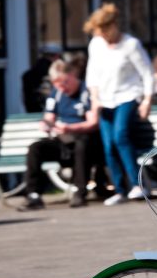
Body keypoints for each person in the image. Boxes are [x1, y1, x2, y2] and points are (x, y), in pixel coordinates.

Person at [84, 3, 154, 207]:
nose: (104, 36)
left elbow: (146, 73)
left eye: (105, 31)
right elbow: (92, 74)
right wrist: (94, 99)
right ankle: (119, 189)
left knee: (120, 135)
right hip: (105, 100)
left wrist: (147, 100)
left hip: (127, 96)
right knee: (108, 146)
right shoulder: (96, 44)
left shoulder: (131, 45)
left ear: (114, 26)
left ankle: (137, 184)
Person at [18, 57, 105, 210]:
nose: (62, 87)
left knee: (82, 144)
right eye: (57, 84)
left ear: (72, 75)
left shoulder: (87, 92)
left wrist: (71, 128)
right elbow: (49, 117)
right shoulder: (56, 94)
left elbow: (93, 123)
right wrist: (47, 124)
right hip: (63, 140)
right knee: (35, 148)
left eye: (64, 82)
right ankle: (33, 195)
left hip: (88, 141)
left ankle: (80, 192)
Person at [22, 45, 62, 113]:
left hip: (34, 113)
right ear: (56, 56)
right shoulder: (56, 72)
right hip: (52, 112)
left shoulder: (29, 74)